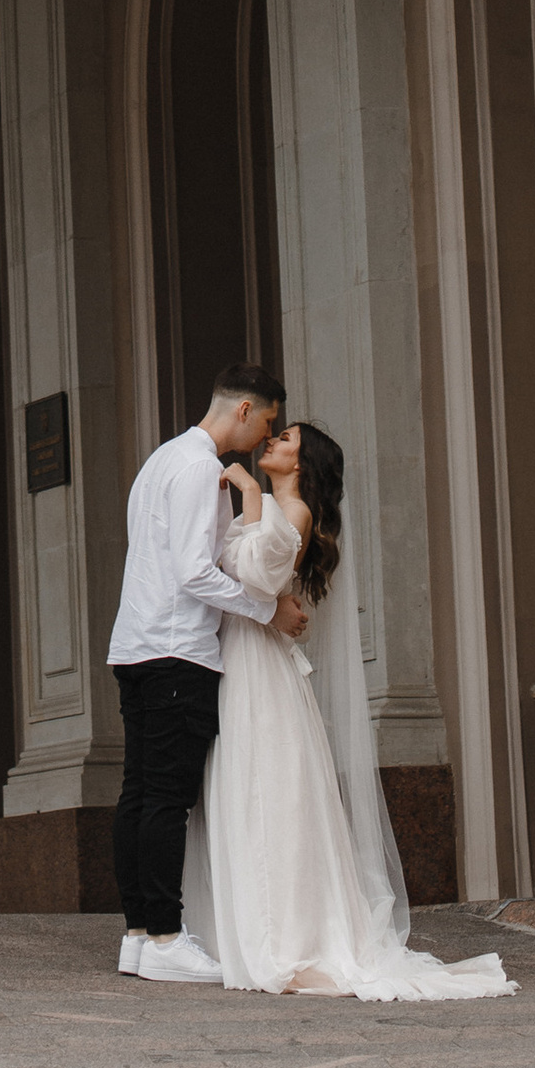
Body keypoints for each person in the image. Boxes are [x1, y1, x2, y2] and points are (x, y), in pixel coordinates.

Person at [184, 417, 513, 1001]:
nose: (272, 442)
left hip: (261, 669)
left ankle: (287, 935)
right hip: (239, 657)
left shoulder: (296, 512)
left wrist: (253, 494)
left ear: (302, 465)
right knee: (245, 787)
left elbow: (258, 577)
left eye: (284, 440)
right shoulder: (262, 510)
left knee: (272, 793)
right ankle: (247, 927)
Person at [107, 363, 306, 984]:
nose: (265, 435)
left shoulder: (161, 459)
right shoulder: (199, 468)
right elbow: (195, 571)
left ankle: (140, 934)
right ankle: (165, 936)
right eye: (268, 421)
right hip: (177, 649)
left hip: (136, 644)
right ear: (244, 410)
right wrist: (266, 609)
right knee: (165, 798)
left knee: (139, 793)